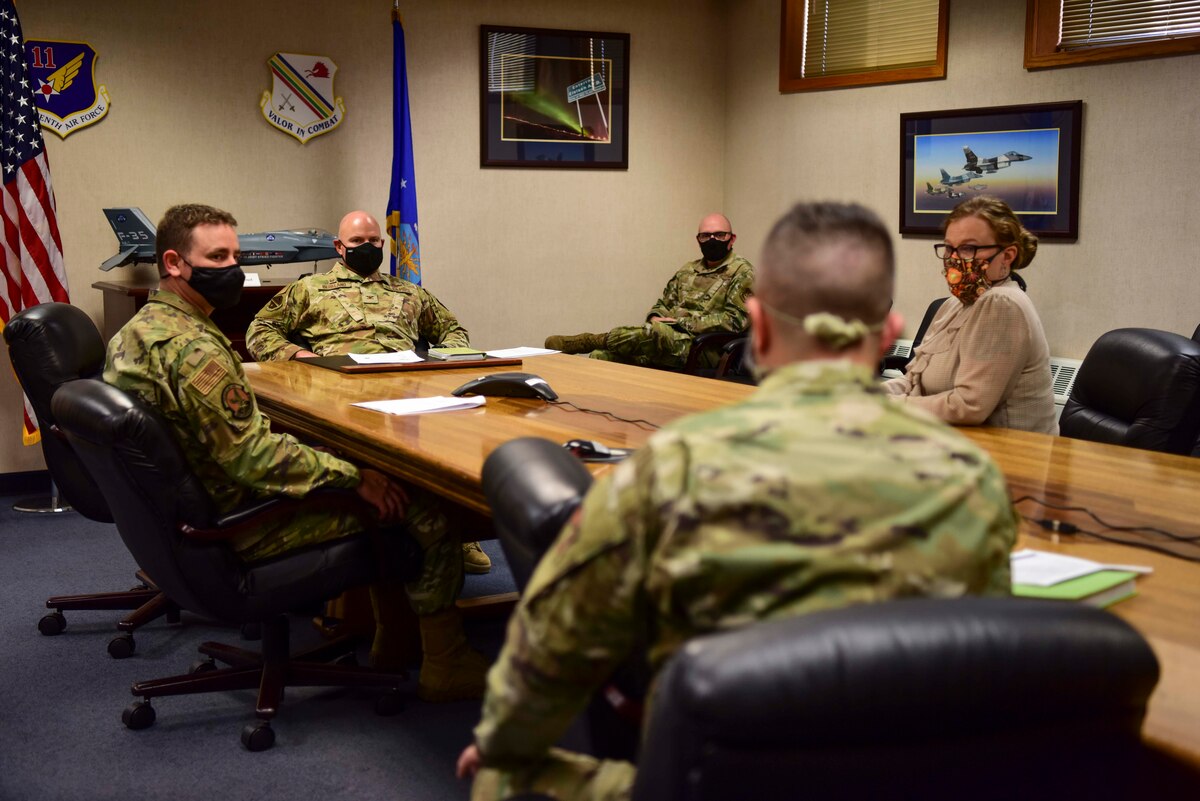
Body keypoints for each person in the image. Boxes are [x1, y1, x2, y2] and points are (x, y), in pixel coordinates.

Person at [457, 201, 1018, 800]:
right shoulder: (972, 482)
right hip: (903, 782)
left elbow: (556, 642)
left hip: (720, 783)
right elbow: (986, 674)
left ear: (761, 326)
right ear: (886, 334)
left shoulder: (672, 468)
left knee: (499, 771)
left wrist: (503, 744)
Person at [104, 204, 488, 702]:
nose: (234, 269)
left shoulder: (136, 333)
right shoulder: (194, 348)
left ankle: (395, 640)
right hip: (239, 521)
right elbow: (254, 460)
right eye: (217, 256)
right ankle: (446, 663)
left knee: (367, 474)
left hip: (188, 512)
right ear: (174, 262)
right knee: (424, 509)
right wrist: (356, 478)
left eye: (236, 256)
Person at [245, 209, 491, 575]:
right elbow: (260, 330)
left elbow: (453, 331)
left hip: (408, 388)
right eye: (357, 242)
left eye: (373, 241)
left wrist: (441, 364)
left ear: (382, 243)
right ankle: (386, 529)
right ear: (340, 247)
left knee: (449, 444)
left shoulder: (408, 290)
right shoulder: (308, 289)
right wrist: (300, 356)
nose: (367, 247)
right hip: (338, 389)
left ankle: (452, 527)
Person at [883, 196, 1058, 434]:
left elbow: (968, 405)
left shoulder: (1002, 303)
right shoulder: (955, 303)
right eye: (949, 247)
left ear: (1007, 256)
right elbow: (914, 382)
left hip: (1011, 458)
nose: (954, 259)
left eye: (968, 248)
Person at [544, 213, 754, 369]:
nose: (712, 240)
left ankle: (588, 340)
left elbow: (736, 321)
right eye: (706, 236)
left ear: (732, 238)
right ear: (698, 240)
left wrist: (681, 321)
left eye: (719, 235)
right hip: (666, 341)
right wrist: (655, 316)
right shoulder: (688, 270)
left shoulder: (742, 272)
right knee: (602, 356)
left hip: (706, 349)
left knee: (653, 332)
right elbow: (662, 305)